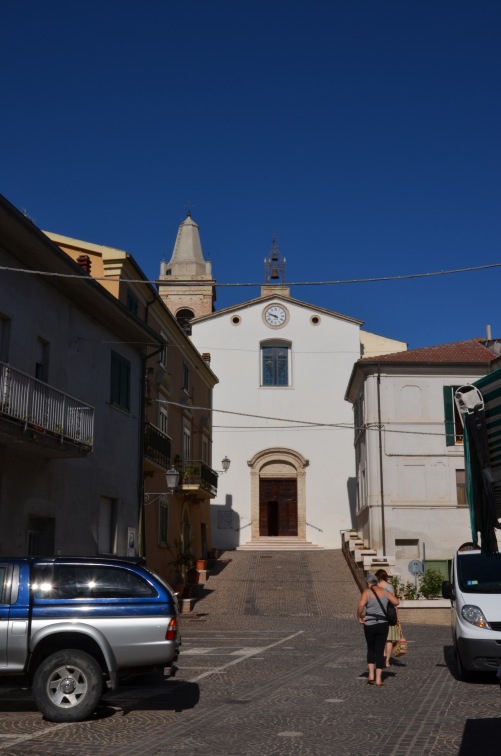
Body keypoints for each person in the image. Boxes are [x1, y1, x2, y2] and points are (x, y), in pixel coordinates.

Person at [357, 572, 399, 687]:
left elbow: (361, 605)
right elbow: (396, 602)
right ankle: (379, 679)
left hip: (369, 624)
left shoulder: (367, 592)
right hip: (382, 624)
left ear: (369, 583)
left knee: (371, 648)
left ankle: (371, 676)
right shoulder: (385, 592)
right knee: (380, 650)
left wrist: (359, 616)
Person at [375, 568, 399, 668]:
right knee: (389, 640)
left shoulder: (377, 586)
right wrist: (397, 616)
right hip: (390, 615)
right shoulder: (390, 587)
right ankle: (388, 661)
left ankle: (383, 654)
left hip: (379, 615)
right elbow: (395, 603)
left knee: (380, 637)